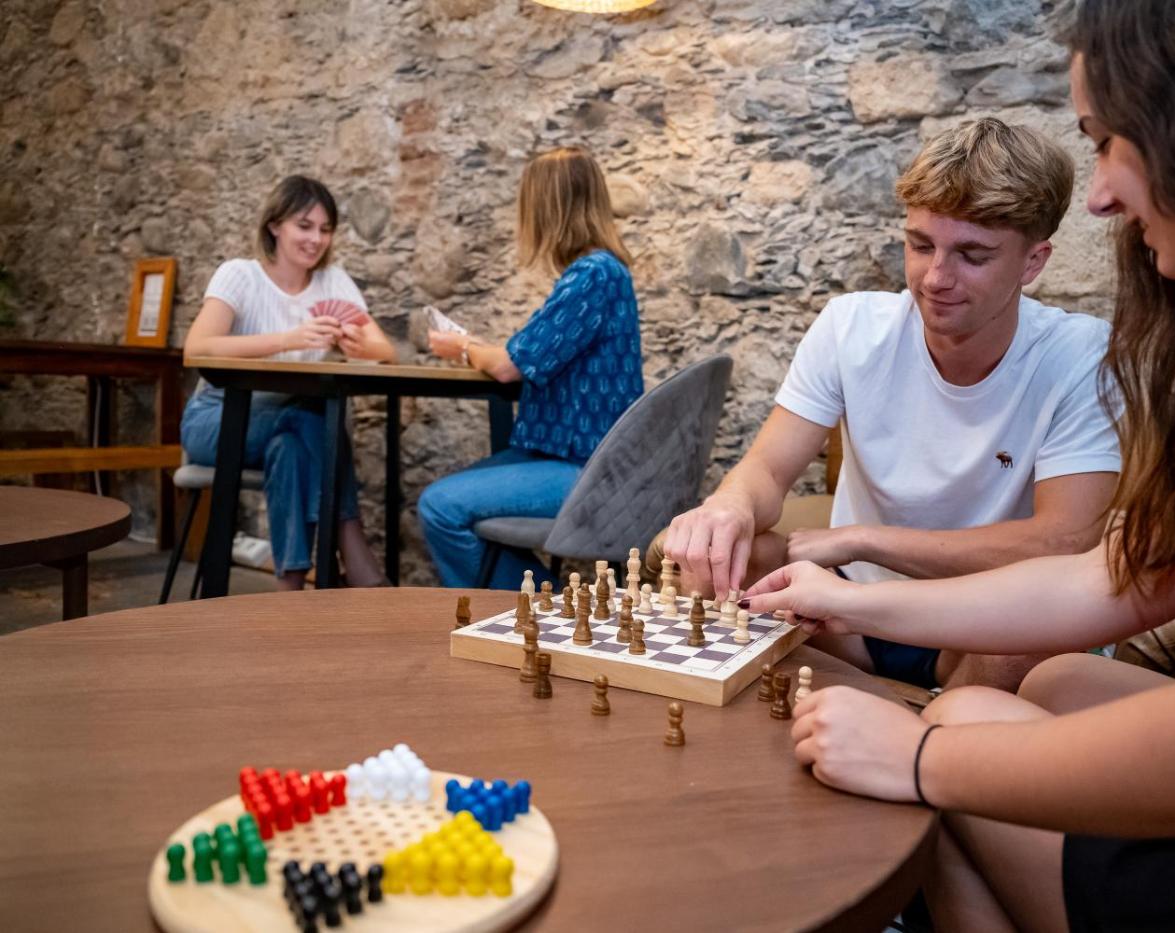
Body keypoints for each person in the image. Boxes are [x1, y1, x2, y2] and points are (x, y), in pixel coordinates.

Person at [743, 0, 1175, 928]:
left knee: (953, 743)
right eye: (923, 245)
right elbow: (1112, 577)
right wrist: (852, 600)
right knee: (1051, 682)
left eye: (1108, 143)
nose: (1100, 196)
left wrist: (920, 755)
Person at [664, 118, 1121, 692]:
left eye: (972, 255)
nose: (935, 278)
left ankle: (925, 725)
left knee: (1043, 637)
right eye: (921, 245)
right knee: (732, 561)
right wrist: (729, 504)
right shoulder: (850, 325)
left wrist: (861, 538)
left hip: (980, 623)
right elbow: (769, 470)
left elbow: (1064, 541)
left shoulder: (1081, 354)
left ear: (1033, 262)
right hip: (843, 614)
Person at [419, 146, 643, 589]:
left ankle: (550, 610)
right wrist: (479, 348)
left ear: (545, 209)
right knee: (461, 500)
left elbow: (508, 366)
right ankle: (543, 606)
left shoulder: (593, 274)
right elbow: (527, 354)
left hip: (588, 470)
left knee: (439, 506)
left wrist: (462, 346)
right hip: (582, 459)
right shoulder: (601, 272)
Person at [182, 175, 396, 590]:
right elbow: (197, 347)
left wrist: (358, 345)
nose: (316, 239)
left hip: (290, 422)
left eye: (325, 229)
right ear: (275, 225)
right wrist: (287, 340)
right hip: (217, 420)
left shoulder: (333, 281)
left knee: (291, 447)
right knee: (312, 413)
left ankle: (291, 588)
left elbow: (385, 352)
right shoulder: (240, 275)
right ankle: (352, 545)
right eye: (304, 225)